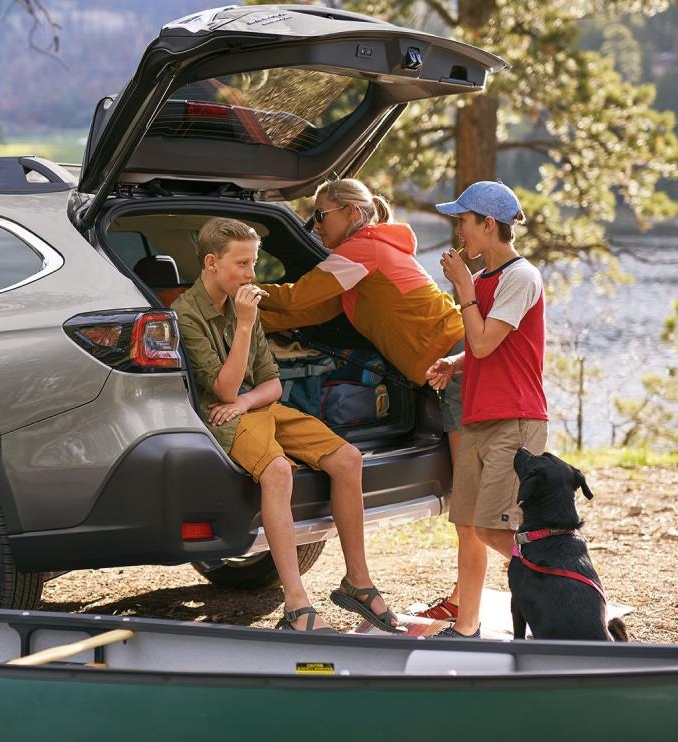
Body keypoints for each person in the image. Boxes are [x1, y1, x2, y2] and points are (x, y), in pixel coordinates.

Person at [171, 217, 400, 633]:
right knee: (277, 471)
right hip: (217, 417)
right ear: (211, 263)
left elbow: (272, 385)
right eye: (242, 264)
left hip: (252, 406)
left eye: (254, 263)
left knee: (348, 458)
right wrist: (243, 326)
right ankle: (297, 606)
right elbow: (222, 393)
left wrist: (246, 398)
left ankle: (358, 583)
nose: (251, 274)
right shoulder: (186, 315)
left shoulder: (245, 305)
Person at [255, 178, 468, 623]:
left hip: (461, 371)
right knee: (470, 490)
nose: (313, 226)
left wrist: (239, 292)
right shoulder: (365, 256)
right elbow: (311, 311)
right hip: (446, 373)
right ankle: (464, 597)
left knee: (475, 492)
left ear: (353, 214)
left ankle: (483, 597)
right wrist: (244, 313)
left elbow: (299, 297)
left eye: (321, 215)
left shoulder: (363, 251)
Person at [420, 181, 548, 639]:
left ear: (488, 224)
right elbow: (484, 348)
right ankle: (466, 627)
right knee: (471, 530)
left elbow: (483, 340)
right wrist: (455, 365)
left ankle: (558, 581)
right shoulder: (485, 280)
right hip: (478, 416)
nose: (459, 231)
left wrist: (462, 289)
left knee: (497, 531)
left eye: (464, 221)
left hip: (514, 420)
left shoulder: (520, 276)